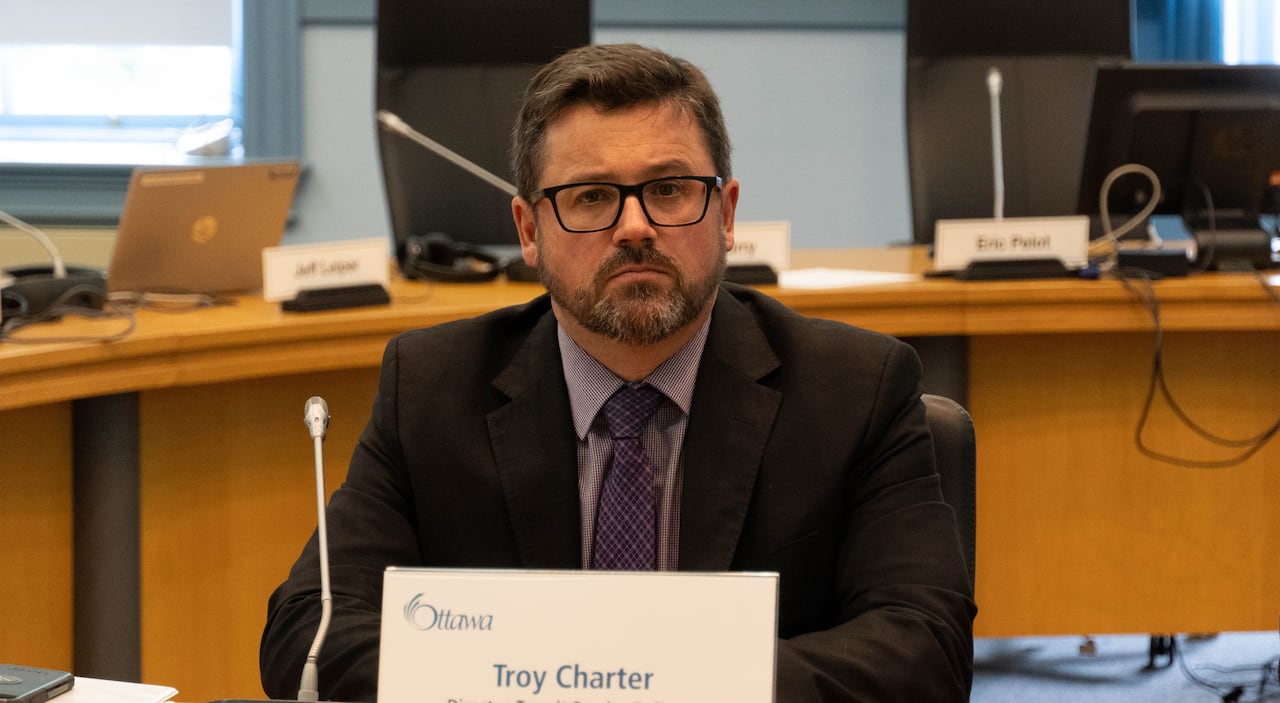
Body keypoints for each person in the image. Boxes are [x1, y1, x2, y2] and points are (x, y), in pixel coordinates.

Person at [261, 42, 976, 701]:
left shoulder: (855, 388)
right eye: (592, 197)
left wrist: (655, 681)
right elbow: (308, 629)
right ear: (529, 232)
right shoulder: (431, 388)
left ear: (725, 214)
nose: (635, 226)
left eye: (668, 189)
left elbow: (925, 646)